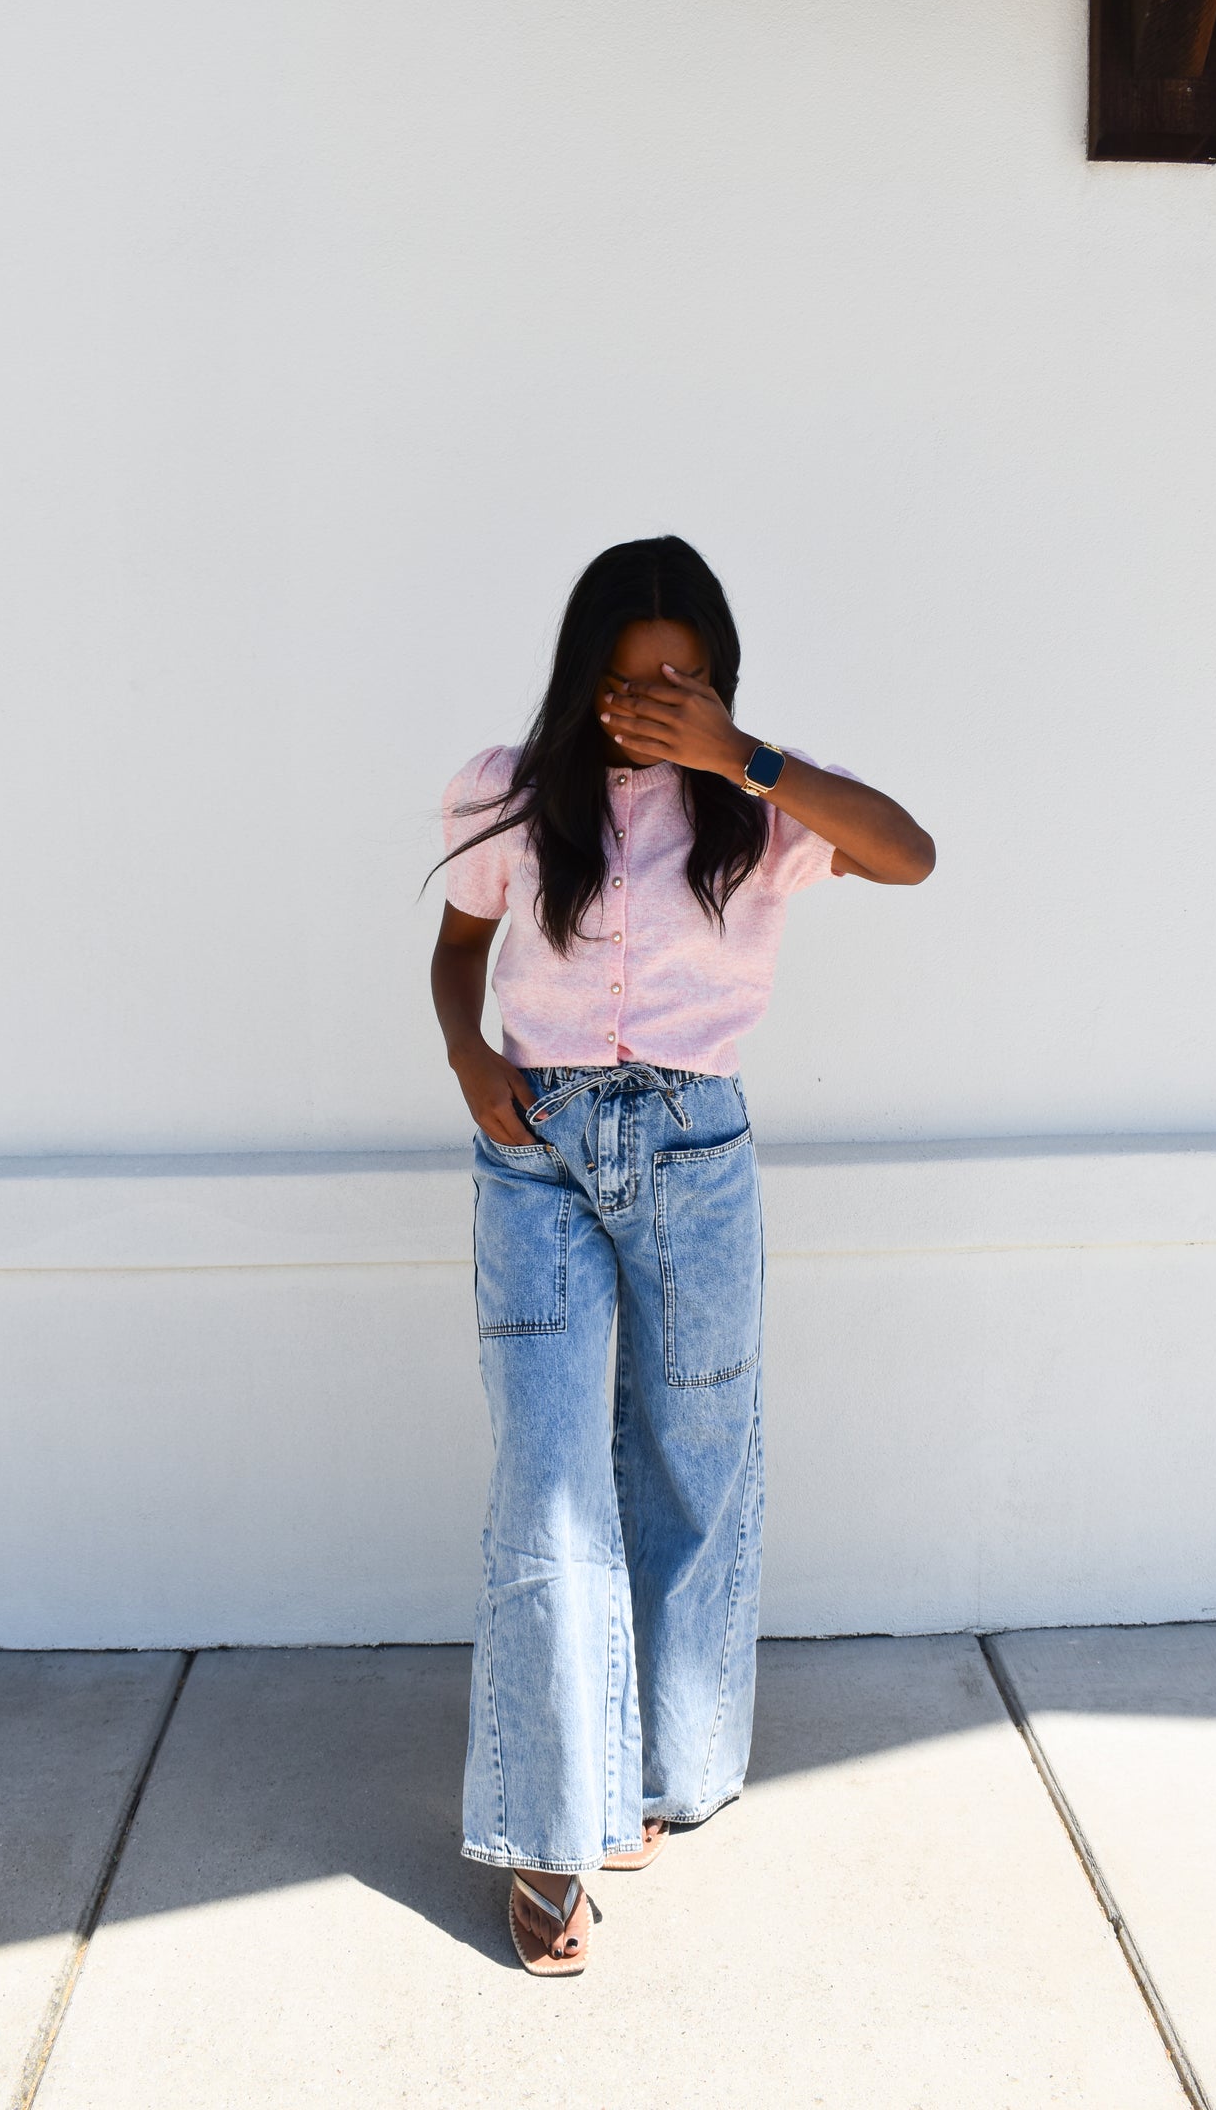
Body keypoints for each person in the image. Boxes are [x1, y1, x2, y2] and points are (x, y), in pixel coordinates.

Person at [429, 535, 934, 1975]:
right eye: (631, 675)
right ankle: (546, 1833)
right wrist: (466, 1055)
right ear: (581, 676)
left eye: (686, 677)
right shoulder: (510, 792)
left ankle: (656, 1769)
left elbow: (911, 853)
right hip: (536, 1146)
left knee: (690, 1460)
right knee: (547, 1477)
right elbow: (459, 948)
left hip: (697, 1149)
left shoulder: (758, 807)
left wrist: (744, 754)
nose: (655, 698)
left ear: (719, 681)